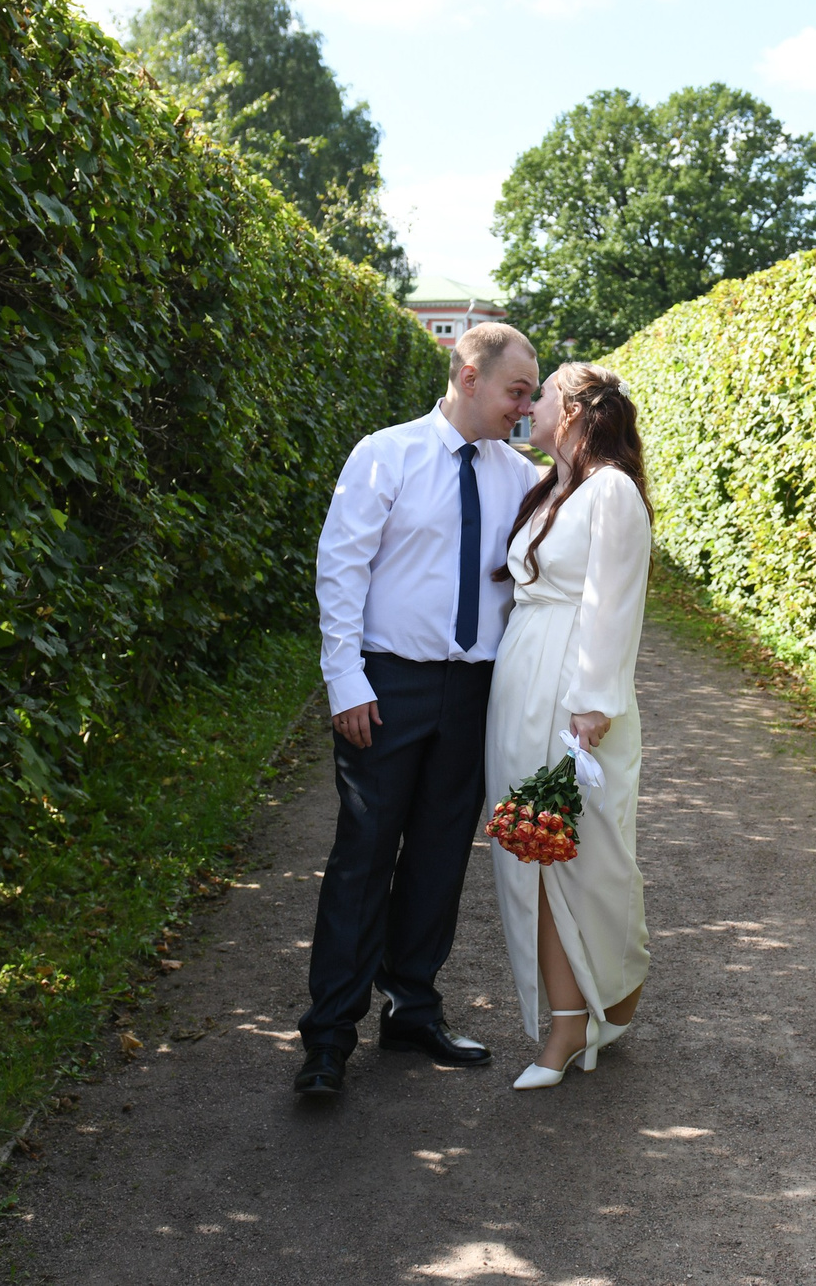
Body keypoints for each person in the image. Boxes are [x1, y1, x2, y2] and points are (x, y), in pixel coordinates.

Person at [294, 323, 542, 1097]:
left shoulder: (518, 475)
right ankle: (329, 1037)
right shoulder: (386, 454)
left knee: (440, 855)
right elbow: (341, 568)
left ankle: (412, 1009)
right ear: (469, 377)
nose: (525, 408)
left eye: (532, 396)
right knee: (364, 855)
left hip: (474, 691)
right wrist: (346, 681)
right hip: (387, 686)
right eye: (516, 392)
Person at [484, 362, 653, 1090]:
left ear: (578, 408)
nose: (532, 403)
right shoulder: (551, 486)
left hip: (571, 693)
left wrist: (594, 704)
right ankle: (567, 1018)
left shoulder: (611, 489)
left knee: (577, 854)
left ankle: (595, 1007)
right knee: (530, 847)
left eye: (545, 393)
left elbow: (613, 602)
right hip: (521, 677)